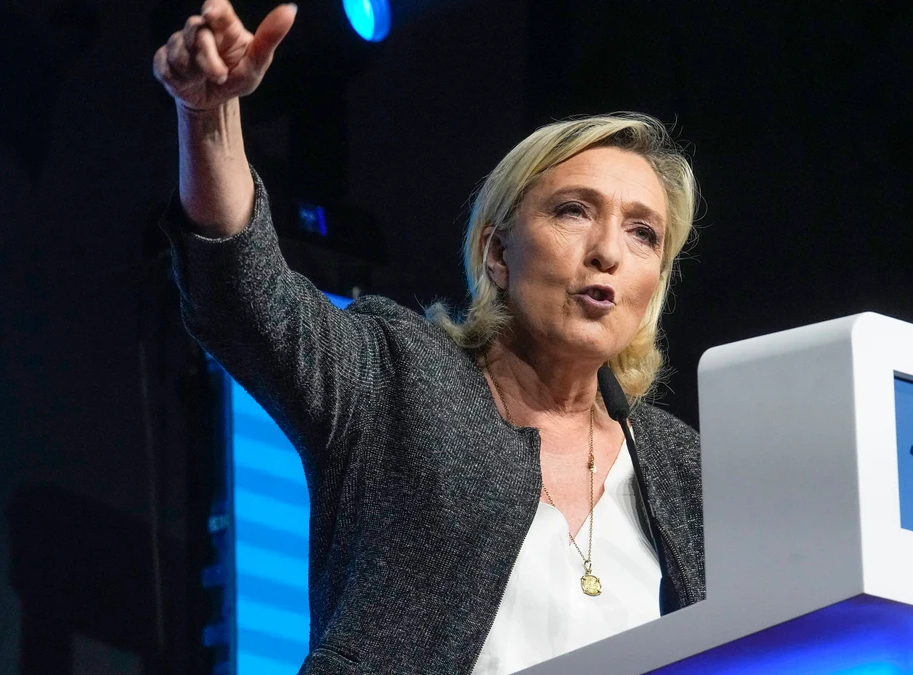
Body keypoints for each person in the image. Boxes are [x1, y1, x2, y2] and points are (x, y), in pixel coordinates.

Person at [152, 2, 704, 673]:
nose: (608, 252)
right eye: (572, 211)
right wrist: (208, 116)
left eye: (643, 233)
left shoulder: (683, 470)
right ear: (497, 254)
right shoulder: (401, 381)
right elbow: (246, 296)